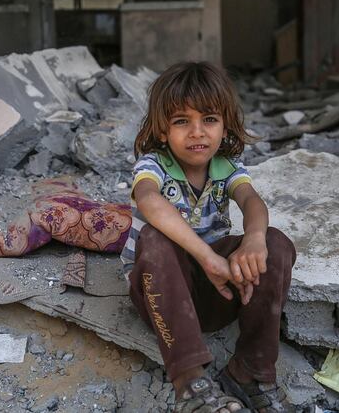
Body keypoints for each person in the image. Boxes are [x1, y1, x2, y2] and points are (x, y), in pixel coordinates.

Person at [122, 62, 296, 413]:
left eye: (210, 120)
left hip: (218, 293)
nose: (197, 132)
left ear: (225, 124)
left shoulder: (226, 166)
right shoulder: (154, 165)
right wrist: (207, 256)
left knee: (276, 243)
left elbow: (251, 201)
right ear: (161, 130)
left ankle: (249, 371)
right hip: (162, 296)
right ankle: (190, 384)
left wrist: (255, 239)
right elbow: (149, 201)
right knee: (155, 240)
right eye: (181, 121)